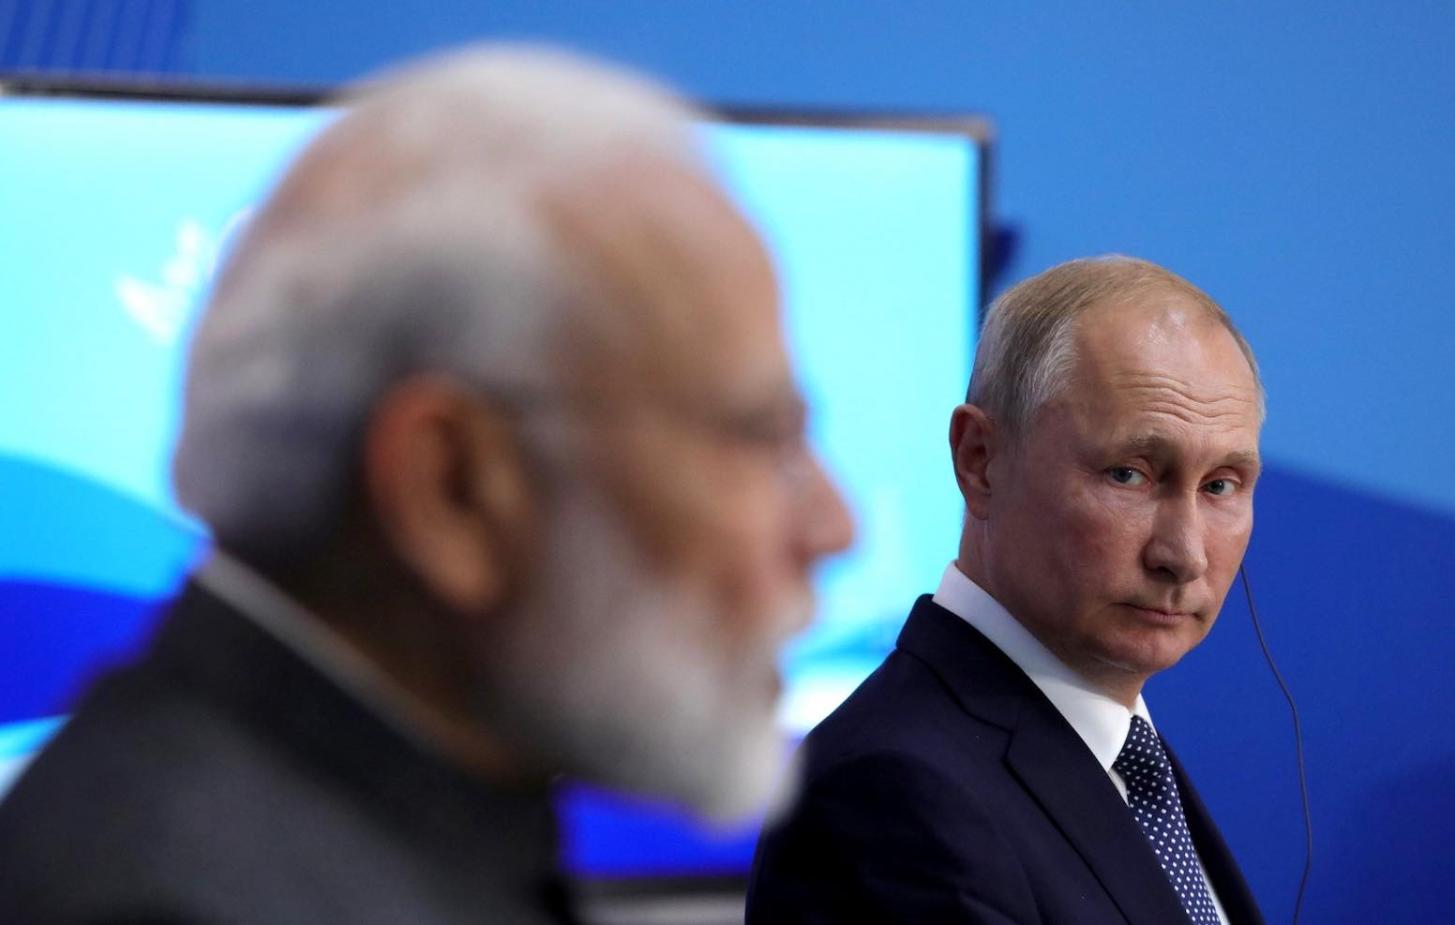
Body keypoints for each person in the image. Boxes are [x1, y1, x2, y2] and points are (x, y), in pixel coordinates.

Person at [0, 46, 852, 925]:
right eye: (764, 438)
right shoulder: (170, 901)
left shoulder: (348, 833)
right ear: (453, 489)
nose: (835, 525)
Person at [747, 256, 1268, 924]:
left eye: (1221, 485)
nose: (1184, 555)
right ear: (980, 460)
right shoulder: (890, 793)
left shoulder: (1127, 761)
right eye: (1129, 474)